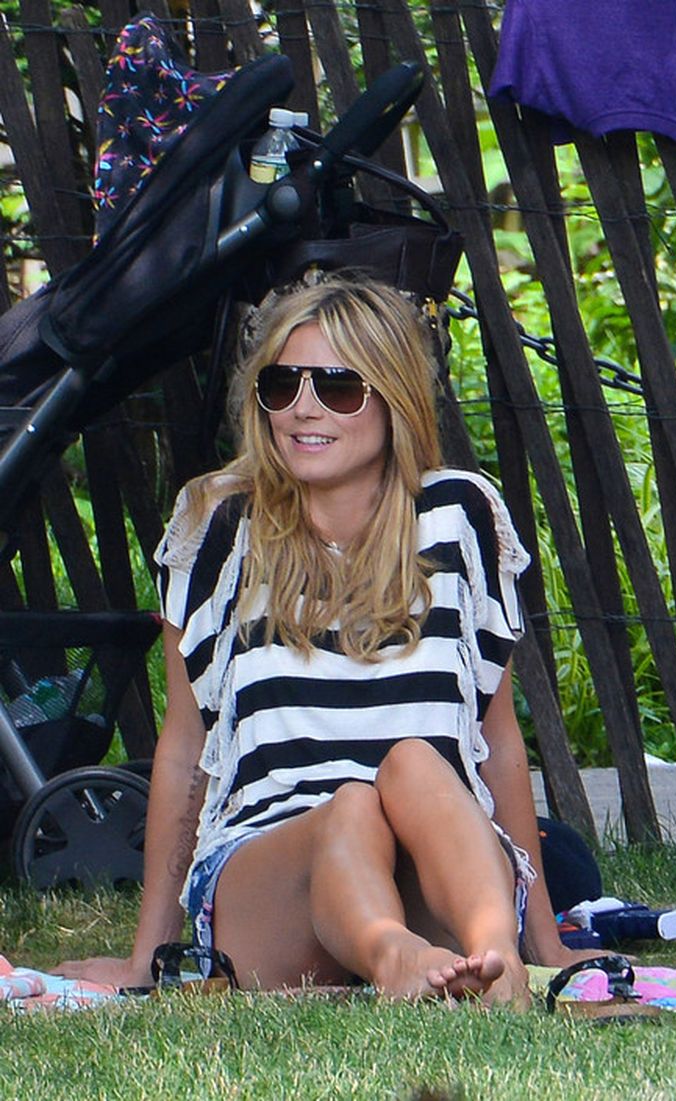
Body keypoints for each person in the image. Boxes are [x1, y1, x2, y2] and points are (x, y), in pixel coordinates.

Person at [58, 277, 601, 1006]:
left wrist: (546, 941)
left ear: (395, 398)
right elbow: (185, 750)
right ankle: (395, 955)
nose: (303, 409)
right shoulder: (218, 522)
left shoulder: (460, 516)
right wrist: (147, 957)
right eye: (282, 384)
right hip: (273, 877)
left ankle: (498, 960)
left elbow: (496, 743)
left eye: (338, 386)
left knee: (416, 763)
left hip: (434, 864)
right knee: (350, 804)